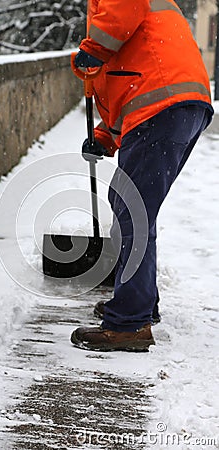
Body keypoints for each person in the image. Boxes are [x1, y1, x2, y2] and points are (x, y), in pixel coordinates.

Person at [70, 0, 213, 351]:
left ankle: (130, 323)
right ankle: (139, 303)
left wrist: (93, 48)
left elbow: (123, 15)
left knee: (133, 210)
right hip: (177, 101)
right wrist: (105, 136)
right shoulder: (139, 26)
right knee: (129, 204)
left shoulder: (114, 8)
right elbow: (134, 85)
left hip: (164, 103)